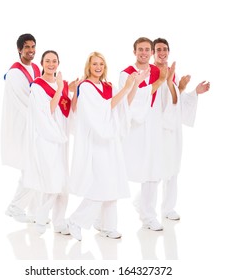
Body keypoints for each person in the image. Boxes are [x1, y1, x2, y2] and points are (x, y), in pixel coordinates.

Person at [67, 51, 148, 241]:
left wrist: (134, 85)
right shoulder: (85, 87)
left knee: (114, 183)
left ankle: (107, 226)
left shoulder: (107, 86)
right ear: (89, 66)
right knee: (101, 183)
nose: (98, 67)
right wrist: (127, 86)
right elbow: (102, 110)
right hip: (96, 141)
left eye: (101, 64)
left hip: (110, 142)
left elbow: (122, 105)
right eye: (94, 64)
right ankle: (76, 221)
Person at [119, 37, 174, 231]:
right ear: (134, 52)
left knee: (153, 171)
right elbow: (128, 101)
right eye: (140, 49)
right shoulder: (126, 73)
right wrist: (159, 81)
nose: (144, 52)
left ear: (152, 53)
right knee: (118, 170)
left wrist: (170, 82)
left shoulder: (159, 72)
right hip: (134, 130)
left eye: (147, 50)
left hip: (154, 129)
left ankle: (148, 215)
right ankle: (101, 215)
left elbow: (167, 98)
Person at [152, 37, 210, 222]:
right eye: (159, 49)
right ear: (153, 53)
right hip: (156, 127)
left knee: (173, 166)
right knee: (155, 168)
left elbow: (176, 99)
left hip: (173, 127)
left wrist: (191, 91)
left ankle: (168, 207)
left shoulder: (173, 73)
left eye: (165, 49)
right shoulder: (150, 72)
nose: (162, 53)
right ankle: (146, 209)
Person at [23, 50, 72, 235]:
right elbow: (48, 111)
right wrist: (59, 88)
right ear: (42, 63)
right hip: (47, 138)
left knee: (63, 182)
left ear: (58, 63)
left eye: (54, 61)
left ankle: (59, 222)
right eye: (48, 61)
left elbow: (67, 108)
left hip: (62, 137)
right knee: (53, 180)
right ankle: (41, 219)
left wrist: (68, 86)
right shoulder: (37, 86)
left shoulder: (62, 84)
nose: (51, 64)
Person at [1, 33, 41, 223]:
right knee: (31, 166)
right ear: (19, 49)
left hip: (35, 124)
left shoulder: (35, 68)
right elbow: (25, 101)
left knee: (34, 167)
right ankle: (15, 207)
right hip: (23, 124)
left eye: (33, 47)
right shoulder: (15, 73)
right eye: (27, 47)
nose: (31, 51)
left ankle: (34, 211)